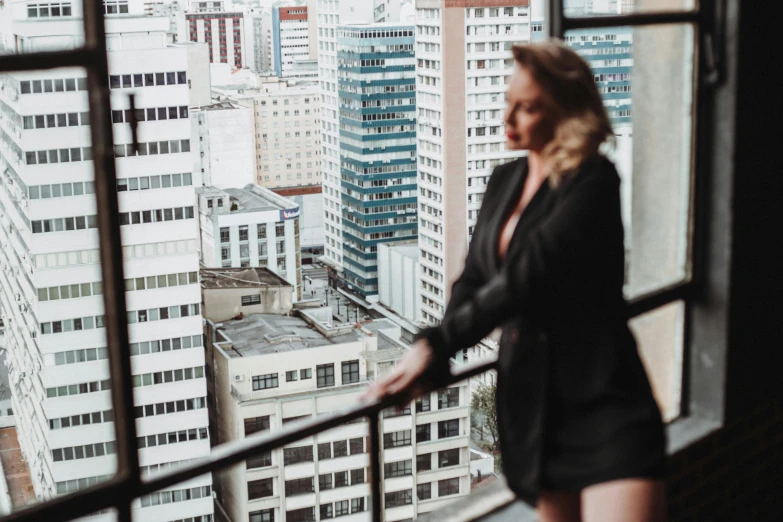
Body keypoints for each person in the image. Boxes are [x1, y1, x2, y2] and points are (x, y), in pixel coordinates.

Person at [363, 40, 668, 522]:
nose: (508, 118)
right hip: (538, 408)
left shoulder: (594, 181)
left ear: (567, 114)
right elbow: (474, 280)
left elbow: (527, 277)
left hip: (603, 399)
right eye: (509, 101)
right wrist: (434, 353)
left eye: (526, 108)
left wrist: (436, 342)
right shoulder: (504, 179)